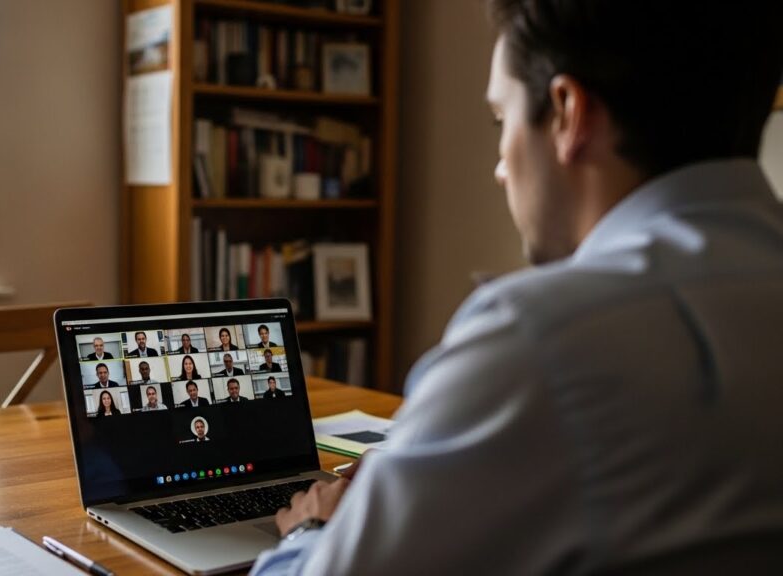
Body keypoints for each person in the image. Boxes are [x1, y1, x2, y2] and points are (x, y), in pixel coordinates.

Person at [252, 2, 783, 574]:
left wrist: (310, 529)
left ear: (567, 114)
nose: (500, 169)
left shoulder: (542, 337)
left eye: (501, 119)